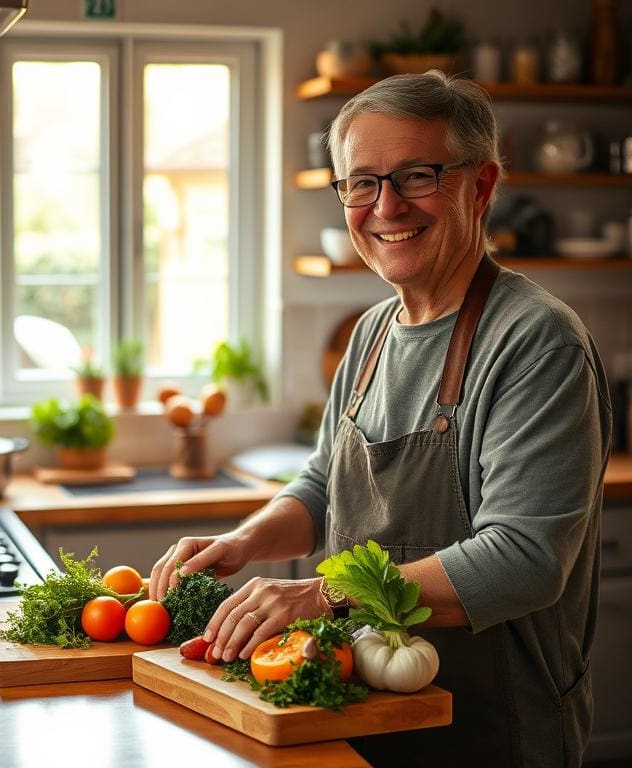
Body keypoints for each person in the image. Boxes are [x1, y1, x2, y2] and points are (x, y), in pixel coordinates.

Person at [149, 70, 612, 768]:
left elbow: (525, 559)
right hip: (360, 711)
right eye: (361, 183)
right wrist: (242, 543)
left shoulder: (536, 341)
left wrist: (322, 593)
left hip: (489, 730)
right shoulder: (370, 333)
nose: (385, 206)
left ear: (480, 187)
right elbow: (323, 484)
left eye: (416, 176)